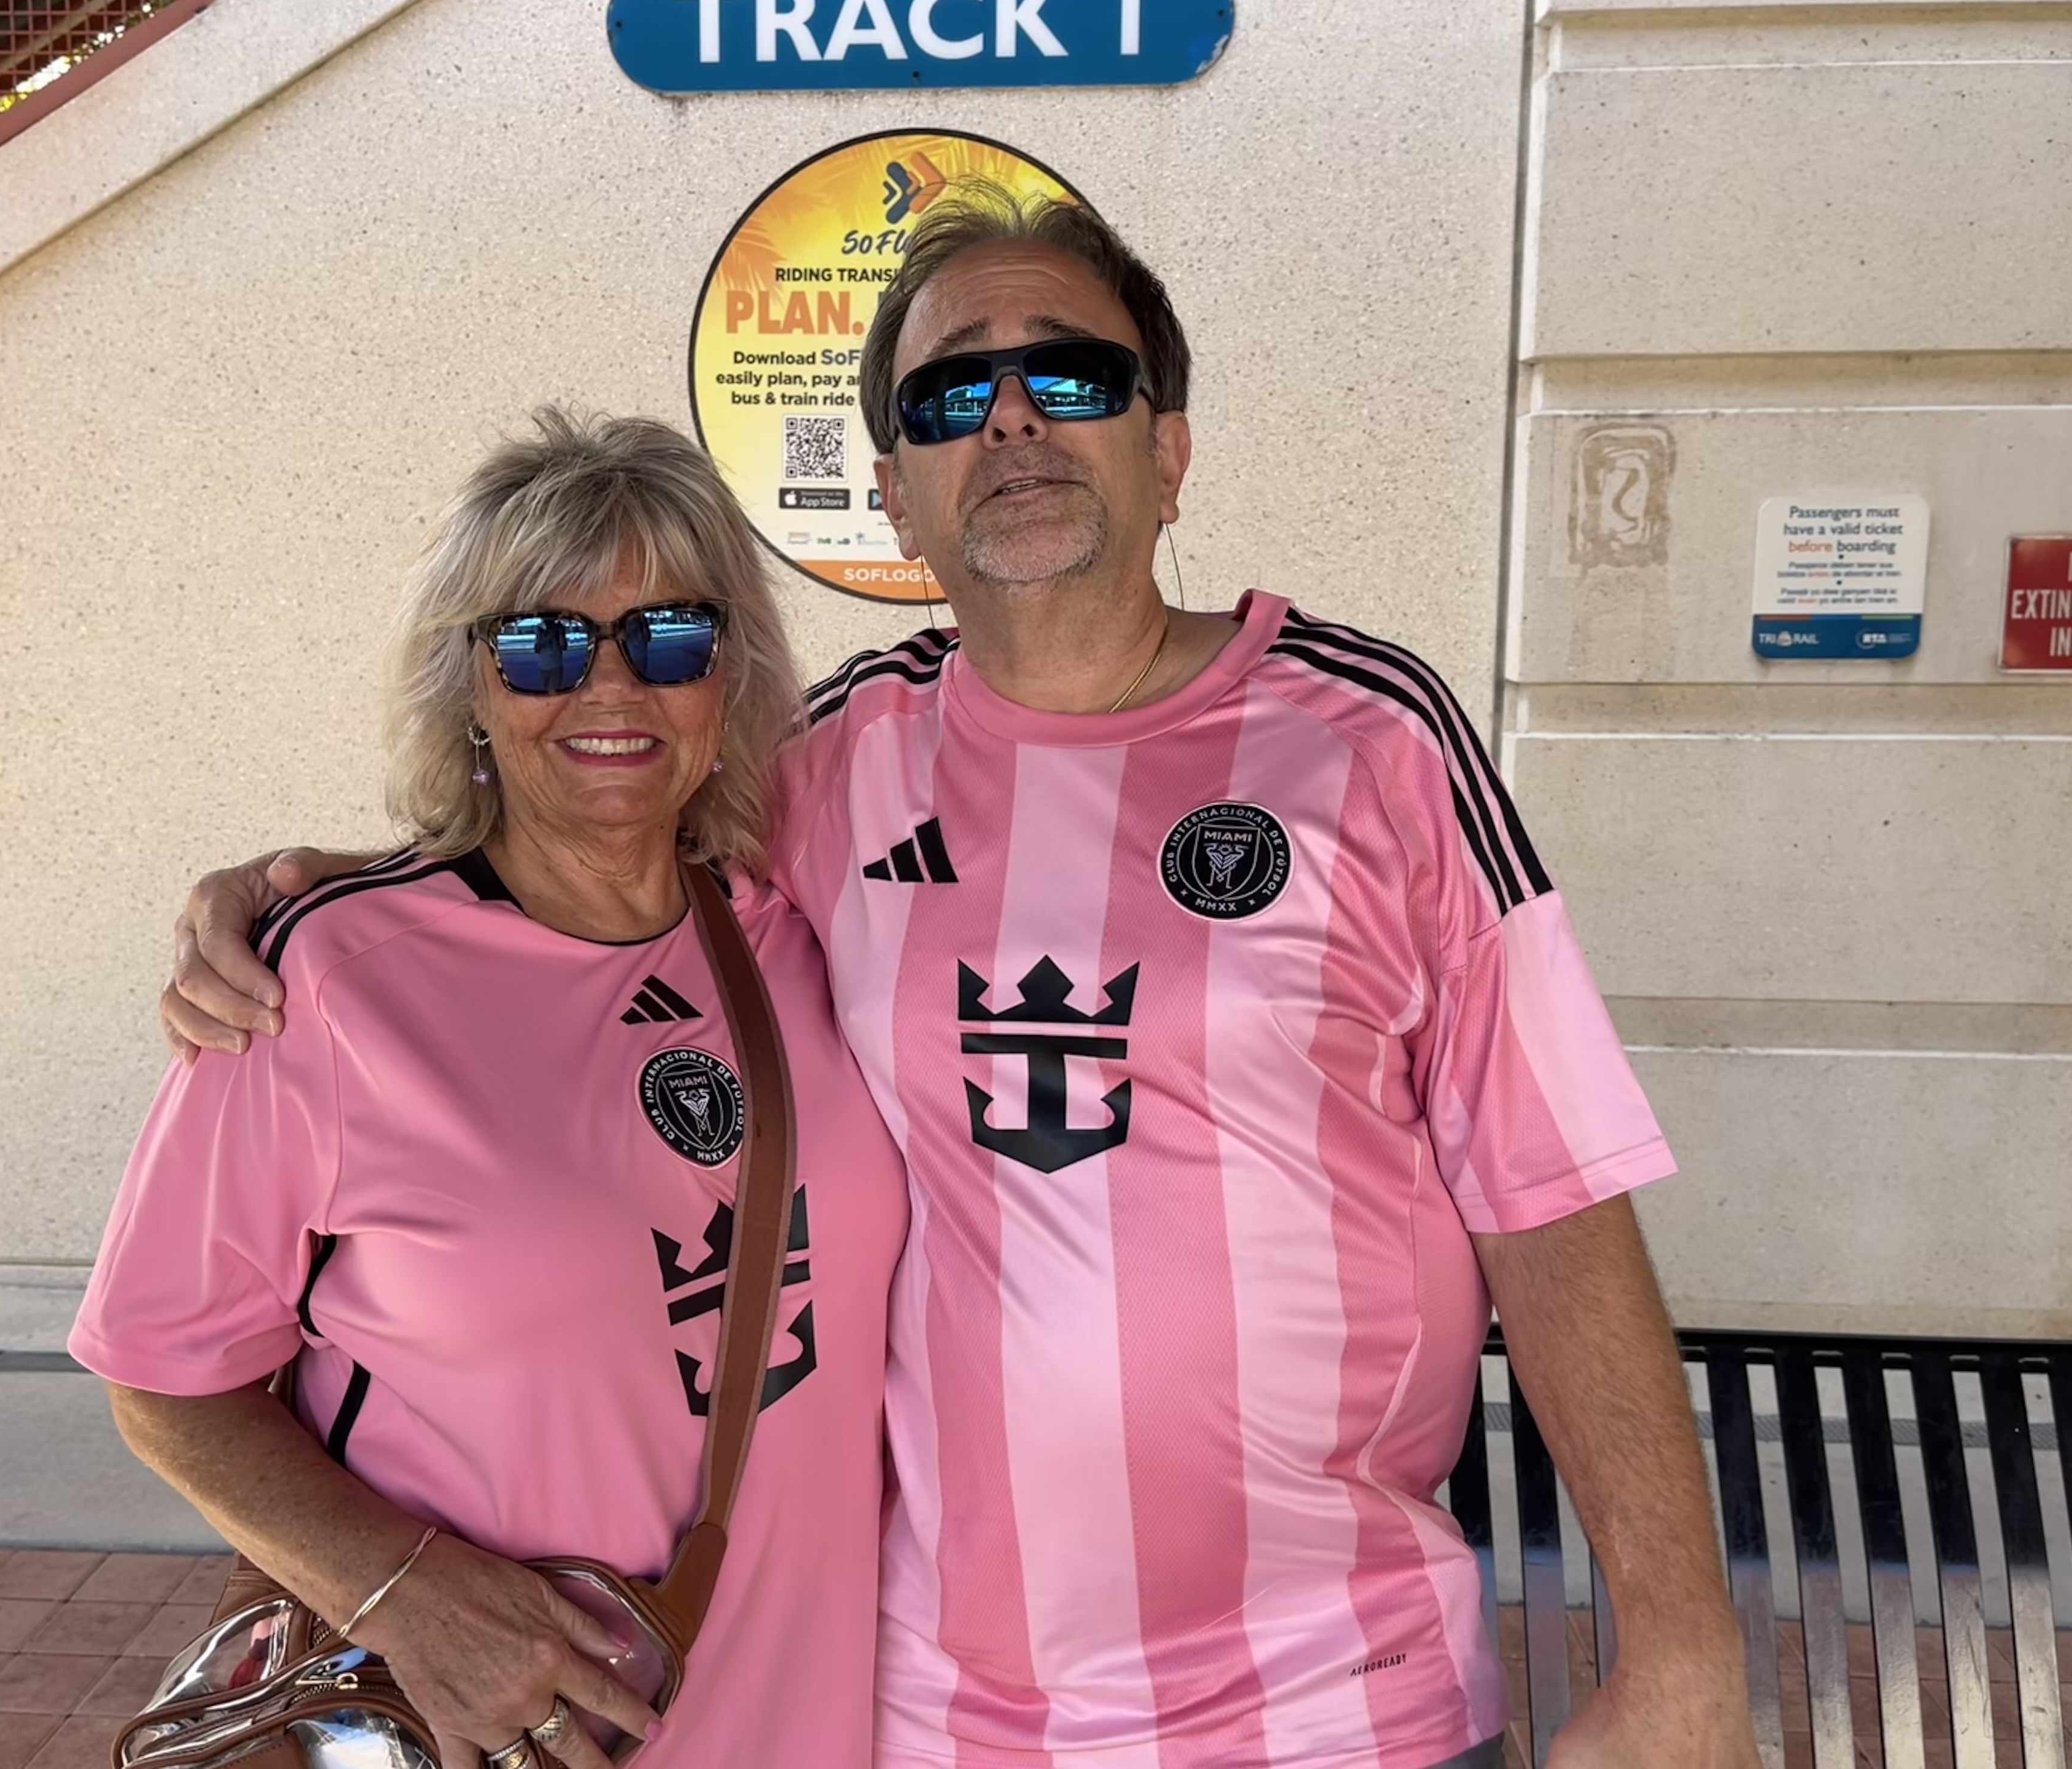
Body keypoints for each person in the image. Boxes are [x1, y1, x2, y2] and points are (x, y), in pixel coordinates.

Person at [161, 192, 1758, 1769]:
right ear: (897, 497)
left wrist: (1682, 1647)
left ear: (1169, 450)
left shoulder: (1375, 740)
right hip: (946, 1721)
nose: (1010, 420)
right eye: (948, 396)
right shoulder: (837, 767)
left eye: (1072, 373)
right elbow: (598, 825)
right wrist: (320, 893)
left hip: (1342, 1702)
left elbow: (1554, 1198)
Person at [71, 410, 907, 1769]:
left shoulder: (800, 929)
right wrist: (403, 1594)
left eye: (670, 638)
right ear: (469, 684)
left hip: (810, 1725)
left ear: (729, 675)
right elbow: (163, 1379)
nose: (611, 688)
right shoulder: (325, 985)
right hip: (500, 1736)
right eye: (541, 646)